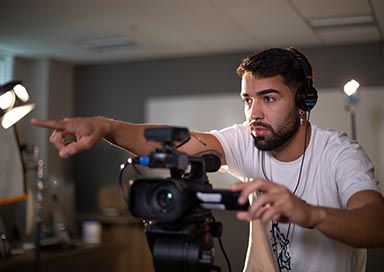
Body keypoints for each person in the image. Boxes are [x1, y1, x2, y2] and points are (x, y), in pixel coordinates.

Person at [31, 48, 384, 272]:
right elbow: (180, 142)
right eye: (248, 100)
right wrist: (106, 126)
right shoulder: (247, 141)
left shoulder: (340, 154)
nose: (254, 113)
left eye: (269, 98)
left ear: (304, 101)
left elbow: (376, 224)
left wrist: (310, 213)